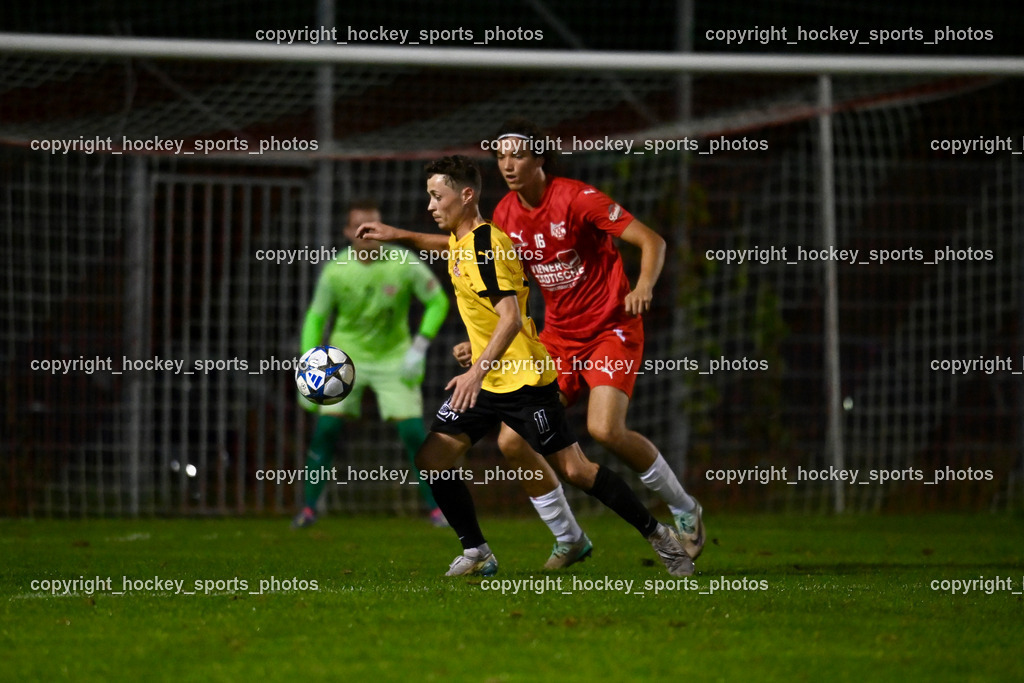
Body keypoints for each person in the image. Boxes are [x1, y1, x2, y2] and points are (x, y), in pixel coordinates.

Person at [358, 155, 693, 577]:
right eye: (429, 196)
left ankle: (659, 535)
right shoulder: (466, 239)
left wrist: (475, 370)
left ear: (466, 195)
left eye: (437, 196)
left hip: (523, 380)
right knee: (432, 458)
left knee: (576, 470)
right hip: (489, 379)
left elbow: (511, 318)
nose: (430, 205)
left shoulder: (486, 247)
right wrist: (399, 234)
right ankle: (477, 551)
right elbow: (444, 247)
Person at [485, 117, 705, 561]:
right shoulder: (504, 213)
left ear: (539, 158)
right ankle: (570, 538)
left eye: (518, 155)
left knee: (604, 429)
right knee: (511, 440)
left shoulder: (577, 198)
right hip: (558, 339)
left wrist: (643, 286)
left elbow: (652, 241)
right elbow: (495, 275)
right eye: (501, 156)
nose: (508, 164)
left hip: (611, 330)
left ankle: (685, 509)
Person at [292, 199, 450, 528]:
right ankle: (308, 509)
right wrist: (310, 359)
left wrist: (418, 347)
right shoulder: (336, 270)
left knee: (413, 433)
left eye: (373, 227)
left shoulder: (404, 263)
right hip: (344, 358)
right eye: (359, 227)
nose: (367, 234)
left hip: (395, 357)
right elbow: (316, 317)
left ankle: (438, 509)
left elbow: (437, 301)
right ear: (347, 232)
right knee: (327, 429)